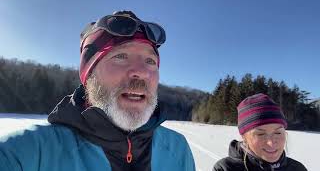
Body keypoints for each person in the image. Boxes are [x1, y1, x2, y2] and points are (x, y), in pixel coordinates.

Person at [0, 10, 195, 171]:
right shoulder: (31, 153)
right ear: (89, 75)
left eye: (150, 61)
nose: (141, 72)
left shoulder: (177, 149)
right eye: (121, 56)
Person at [213, 93, 307, 171]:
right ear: (244, 137)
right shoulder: (225, 169)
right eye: (260, 134)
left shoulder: (298, 168)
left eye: (278, 133)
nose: (271, 142)